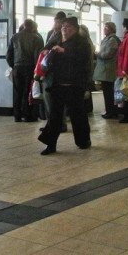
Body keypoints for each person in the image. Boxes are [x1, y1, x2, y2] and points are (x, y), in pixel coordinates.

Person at [37, 17, 92, 154]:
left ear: (75, 29)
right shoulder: (57, 39)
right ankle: (51, 144)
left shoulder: (82, 42)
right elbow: (45, 48)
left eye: (67, 27)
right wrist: (46, 51)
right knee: (55, 115)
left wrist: (64, 52)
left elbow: (83, 59)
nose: (64, 29)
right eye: (63, 26)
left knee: (77, 114)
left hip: (74, 85)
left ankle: (83, 141)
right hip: (57, 84)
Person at [6, 19, 43, 121]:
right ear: (32, 27)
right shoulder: (36, 38)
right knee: (28, 92)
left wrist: (13, 65)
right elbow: (37, 57)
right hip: (30, 68)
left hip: (17, 68)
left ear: (24, 25)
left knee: (17, 92)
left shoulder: (14, 37)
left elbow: (8, 55)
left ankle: (17, 116)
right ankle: (27, 115)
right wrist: (37, 71)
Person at [93, 22, 121, 119]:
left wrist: (98, 54)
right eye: (104, 27)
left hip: (108, 69)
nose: (104, 29)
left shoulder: (112, 40)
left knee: (109, 92)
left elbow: (107, 54)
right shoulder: (107, 39)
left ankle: (111, 111)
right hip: (105, 69)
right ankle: (110, 110)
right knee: (107, 91)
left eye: (107, 27)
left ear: (112, 29)